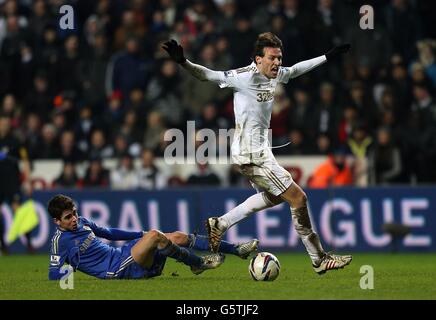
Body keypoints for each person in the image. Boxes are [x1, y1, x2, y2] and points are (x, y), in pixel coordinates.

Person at [163, 32, 352, 274]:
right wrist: (183, 62)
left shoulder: (276, 74)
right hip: (250, 153)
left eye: (279, 58)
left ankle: (221, 223)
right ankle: (319, 258)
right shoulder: (244, 77)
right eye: (272, 58)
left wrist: (328, 56)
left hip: (262, 151)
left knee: (275, 197)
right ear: (258, 59)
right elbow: (208, 75)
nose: (277, 63)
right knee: (298, 198)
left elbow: (295, 70)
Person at [47, 194, 258, 280]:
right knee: (157, 236)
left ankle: (236, 250)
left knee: (175, 236)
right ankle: (198, 262)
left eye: (74, 213)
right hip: (116, 270)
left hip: (122, 254)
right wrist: (72, 268)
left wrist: (140, 235)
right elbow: (53, 274)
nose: (74, 218)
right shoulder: (60, 242)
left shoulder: (82, 222)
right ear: (57, 221)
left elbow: (109, 233)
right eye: (68, 217)